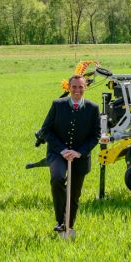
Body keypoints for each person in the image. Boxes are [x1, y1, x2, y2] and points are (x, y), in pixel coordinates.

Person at [40, 75, 100, 233]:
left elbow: (96, 135)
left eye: (80, 87)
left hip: (80, 156)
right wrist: (62, 150)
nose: (77, 90)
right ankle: (60, 221)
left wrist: (79, 152)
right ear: (68, 87)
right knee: (57, 178)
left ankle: (69, 225)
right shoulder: (57, 105)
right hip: (57, 153)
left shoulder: (93, 108)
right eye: (74, 87)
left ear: (85, 87)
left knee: (74, 193)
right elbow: (45, 130)